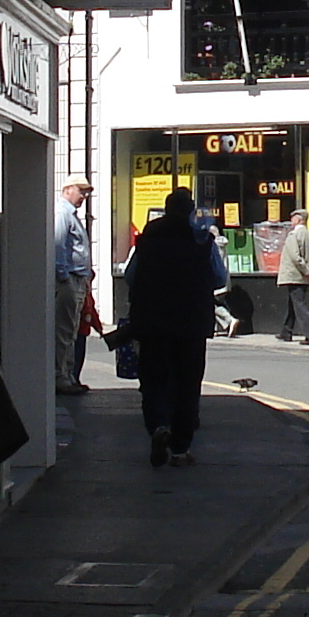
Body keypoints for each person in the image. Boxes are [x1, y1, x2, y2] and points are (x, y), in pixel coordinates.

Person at [121, 187, 227, 468]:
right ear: (191, 210)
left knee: (154, 380)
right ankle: (180, 449)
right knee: (187, 385)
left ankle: (157, 425)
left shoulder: (149, 237)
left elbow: (130, 277)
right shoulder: (202, 238)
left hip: (152, 322)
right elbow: (219, 278)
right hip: (192, 323)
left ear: (166, 209)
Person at [53, 178, 94, 395]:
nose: (83, 196)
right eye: (81, 191)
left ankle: (67, 374)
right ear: (68, 189)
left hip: (77, 278)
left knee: (71, 330)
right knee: (64, 330)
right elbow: (58, 245)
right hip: (70, 279)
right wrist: (64, 276)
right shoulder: (62, 214)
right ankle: (61, 375)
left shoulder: (70, 215)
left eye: (86, 193)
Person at [273, 216, 309, 342]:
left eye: (292, 219)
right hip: (304, 278)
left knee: (299, 305)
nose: (291, 221)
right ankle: (286, 332)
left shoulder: (293, 235)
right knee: (293, 303)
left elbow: (295, 258)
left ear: (298, 220)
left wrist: (308, 272)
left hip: (294, 276)